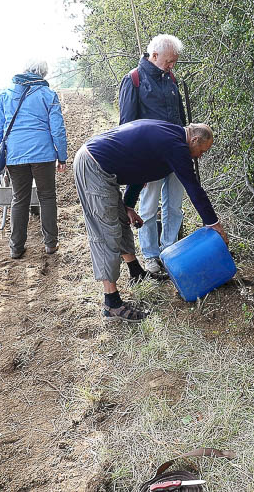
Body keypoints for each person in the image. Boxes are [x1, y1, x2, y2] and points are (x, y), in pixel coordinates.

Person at [73, 119, 227, 323]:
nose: (200, 156)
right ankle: (112, 304)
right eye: (202, 150)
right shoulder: (177, 146)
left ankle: (136, 272)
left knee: (120, 222)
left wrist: (128, 206)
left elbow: (140, 169)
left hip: (100, 165)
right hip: (93, 166)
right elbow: (193, 188)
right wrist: (213, 223)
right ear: (195, 139)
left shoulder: (171, 136)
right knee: (107, 233)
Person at [118, 34, 187, 274]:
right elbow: (126, 126)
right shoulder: (133, 80)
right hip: (149, 158)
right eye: (169, 61)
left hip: (176, 155)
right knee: (148, 208)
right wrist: (134, 163)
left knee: (175, 206)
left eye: (174, 62)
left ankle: (170, 251)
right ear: (154, 55)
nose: (171, 66)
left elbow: (180, 117)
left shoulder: (172, 79)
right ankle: (150, 256)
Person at [0, 60, 68, 259]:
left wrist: (1, 152)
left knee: (19, 199)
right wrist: (62, 156)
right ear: (43, 74)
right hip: (43, 155)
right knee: (47, 197)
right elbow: (58, 128)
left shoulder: (5, 94)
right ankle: (51, 244)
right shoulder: (48, 94)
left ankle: (16, 247)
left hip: (15, 154)